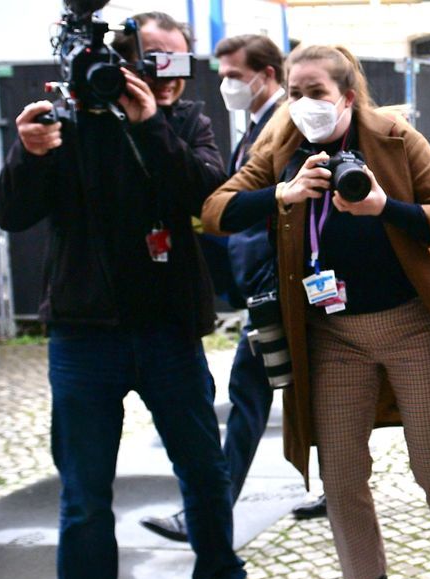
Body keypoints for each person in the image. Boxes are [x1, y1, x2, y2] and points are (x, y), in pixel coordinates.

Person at [200, 44, 430, 579]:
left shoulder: (395, 138)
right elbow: (216, 211)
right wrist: (282, 193)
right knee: (343, 475)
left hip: (411, 326)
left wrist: (385, 208)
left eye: (316, 92)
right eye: (295, 92)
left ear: (347, 96)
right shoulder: (280, 146)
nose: (303, 104)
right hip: (332, 339)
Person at [0, 11, 274, 579]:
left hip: (169, 326)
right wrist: (27, 155)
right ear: (123, 61)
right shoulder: (69, 122)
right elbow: (11, 212)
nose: (167, 78)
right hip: (83, 332)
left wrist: (150, 124)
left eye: (179, 65)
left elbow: (204, 197)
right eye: (153, 63)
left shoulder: (186, 124)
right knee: (85, 490)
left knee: (204, 469)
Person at [140, 33, 311, 543]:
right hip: (263, 282)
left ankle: (207, 511)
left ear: (267, 74)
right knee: (287, 394)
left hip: (280, 285)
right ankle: (326, 485)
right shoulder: (254, 123)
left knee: (249, 395)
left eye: (235, 74)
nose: (225, 83)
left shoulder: (286, 122)